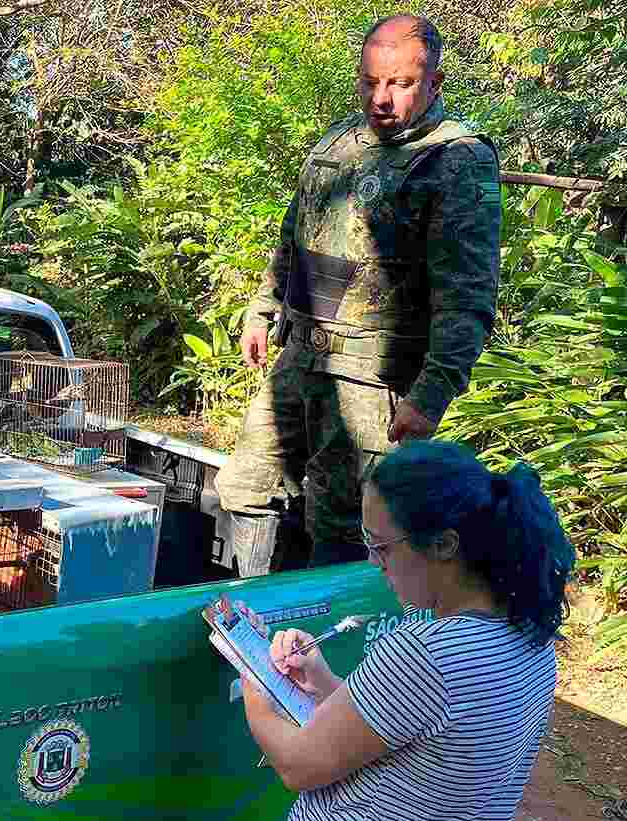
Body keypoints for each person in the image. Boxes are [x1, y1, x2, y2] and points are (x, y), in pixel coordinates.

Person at [213, 14, 503, 574]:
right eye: (371, 83)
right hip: (300, 361)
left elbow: (467, 294)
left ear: (434, 83)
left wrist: (433, 390)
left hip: (374, 387)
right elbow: (293, 238)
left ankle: (331, 652)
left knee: (344, 527)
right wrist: (262, 309)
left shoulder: (456, 160)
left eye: (400, 84)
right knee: (246, 487)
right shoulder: (338, 144)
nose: (382, 98)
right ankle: (251, 627)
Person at [238, 440, 574, 821]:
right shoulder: (532, 637)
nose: (372, 561)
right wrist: (322, 680)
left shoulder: (428, 653)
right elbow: (415, 731)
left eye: (381, 546)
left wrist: (256, 680)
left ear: (444, 544)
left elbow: (299, 766)